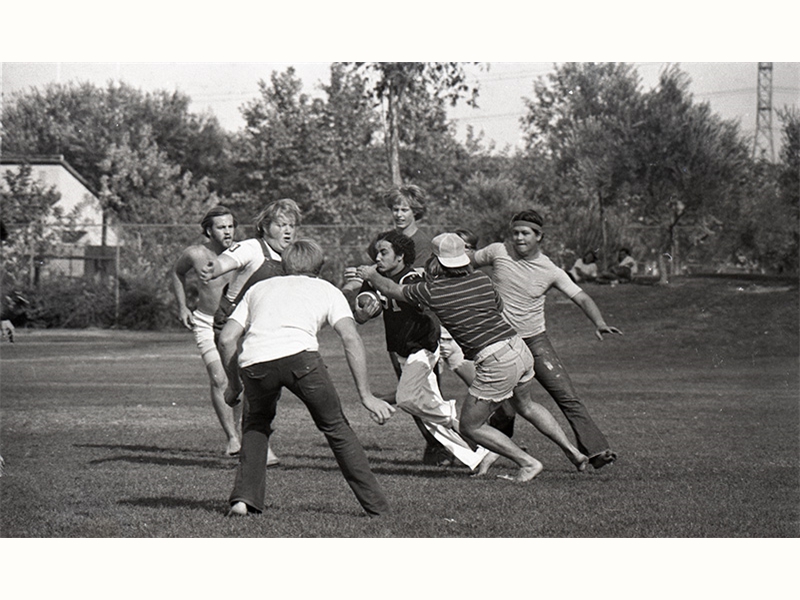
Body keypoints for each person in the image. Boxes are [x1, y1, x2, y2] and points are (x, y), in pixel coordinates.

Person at [360, 233, 589, 482]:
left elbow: (392, 289)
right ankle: (574, 452)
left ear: (435, 261)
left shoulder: (434, 290)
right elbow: (498, 307)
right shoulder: (481, 279)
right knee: (527, 406)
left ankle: (527, 462)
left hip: (496, 361)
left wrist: (371, 275)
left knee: (471, 426)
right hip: (518, 348)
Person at [219, 240, 395, 517]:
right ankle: (377, 508)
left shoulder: (258, 288)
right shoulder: (327, 289)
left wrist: (234, 385)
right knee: (336, 428)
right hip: (301, 361)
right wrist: (366, 395)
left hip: (256, 362)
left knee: (255, 426)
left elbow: (227, 338)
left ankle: (243, 500)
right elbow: (350, 338)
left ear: (284, 265)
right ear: (319, 266)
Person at [473, 210, 621, 470]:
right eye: (515, 233)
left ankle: (596, 451)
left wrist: (599, 323)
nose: (519, 238)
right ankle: (487, 452)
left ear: (539, 236)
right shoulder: (497, 251)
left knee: (566, 395)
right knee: (503, 405)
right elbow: (464, 262)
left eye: (525, 233)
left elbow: (581, 297)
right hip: (500, 342)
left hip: (534, 341)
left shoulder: (551, 270)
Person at [353, 230, 497, 472]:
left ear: (400, 256)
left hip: (422, 347)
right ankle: (480, 453)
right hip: (402, 351)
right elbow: (362, 312)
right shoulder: (375, 277)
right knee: (427, 415)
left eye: (384, 252)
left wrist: (373, 278)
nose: (377, 257)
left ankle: (465, 428)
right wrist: (363, 312)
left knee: (407, 399)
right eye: (377, 252)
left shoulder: (412, 278)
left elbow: (406, 295)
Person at [200, 199, 303, 466]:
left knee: (266, 387)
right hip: (232, 325)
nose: (288, 231)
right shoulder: (252, 248)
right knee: (245, 386)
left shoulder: (293, 257)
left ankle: (256, 443)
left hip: (265, 327)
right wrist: (214, 268)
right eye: (281, 225)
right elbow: (228, 260)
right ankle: (243, 427)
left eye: (292, 225)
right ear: (265, 227)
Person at [171, 205, 243, 455]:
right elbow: (177, 272)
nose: (228, 231)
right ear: (209, 231)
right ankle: (232, 438)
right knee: (219, 378)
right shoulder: (195, 253)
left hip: (237, 324)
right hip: (205, 322)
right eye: (221, 227)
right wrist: (183, 307)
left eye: (231, 226)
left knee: (240, 381)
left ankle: (243, 432)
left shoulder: (243, 252)